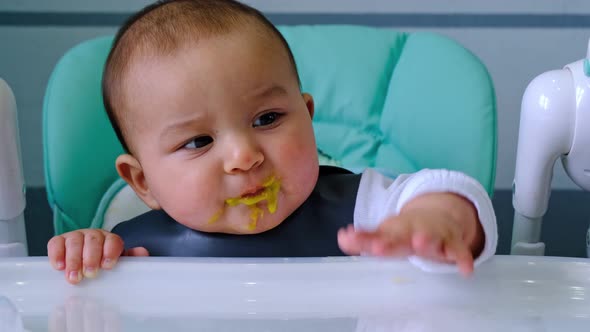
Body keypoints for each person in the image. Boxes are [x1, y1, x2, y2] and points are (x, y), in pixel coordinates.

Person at [47, 0, 497, 285]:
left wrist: (440, 217)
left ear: (307, 116)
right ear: (142, 181)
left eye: (268, 118)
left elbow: (445, 190)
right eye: (199, 141)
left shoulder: (364, 212)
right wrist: (84, 258)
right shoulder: (130, 250)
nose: (244, 156)